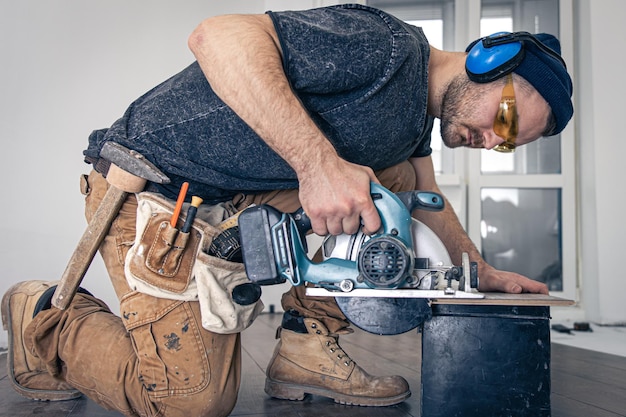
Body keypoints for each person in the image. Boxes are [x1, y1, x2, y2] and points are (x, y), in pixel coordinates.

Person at [2, 4, 573, 417]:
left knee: (393, 185)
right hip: (159, 197)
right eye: (502, 121)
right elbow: (218, 35)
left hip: (232, 199)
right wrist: (317, 165)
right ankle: (41, 318)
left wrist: (477, 270)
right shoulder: (384, 47)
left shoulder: (410, 123)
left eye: (507, 144)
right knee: (186, 403)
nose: (490, 141)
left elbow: (424, 197)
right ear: (489, 58)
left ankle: (304, 344)